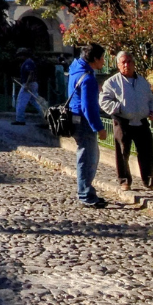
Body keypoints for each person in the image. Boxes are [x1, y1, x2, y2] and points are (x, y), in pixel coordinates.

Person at [99, 49, 153, 191]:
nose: (127, 65)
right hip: (123, 121)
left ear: (134, 64)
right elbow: (104, 101)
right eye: (123, 62)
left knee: (147, 151)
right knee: (123, 152)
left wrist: (152, 110)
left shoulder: (142, 81)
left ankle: (150, 179)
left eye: (129, 62)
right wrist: (118, 108)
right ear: (118, 65)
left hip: (141, 121)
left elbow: (150, 98)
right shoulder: (112, 83)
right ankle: (124, 180)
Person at [67, 42, 108, 208]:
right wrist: (99, 127)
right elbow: (88, 107)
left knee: (87, 156)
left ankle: (87, 191)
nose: (104, 62)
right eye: (103, 58)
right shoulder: (88, 79)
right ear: (95, 59)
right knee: (87, 158)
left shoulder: (76, 68)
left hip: (74, 118)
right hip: (83, 122)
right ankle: (85, 194)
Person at [12, 49, 43, 125]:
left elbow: (30, 74)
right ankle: (46, 116)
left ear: (23, 55)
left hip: (29, 84)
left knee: (21, 101)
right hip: (32, 83)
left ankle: (20, 119)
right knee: (35, 102)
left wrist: (27, 84)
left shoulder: (28, 63)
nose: (19, 57)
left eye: (20, 55)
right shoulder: (29, 62)